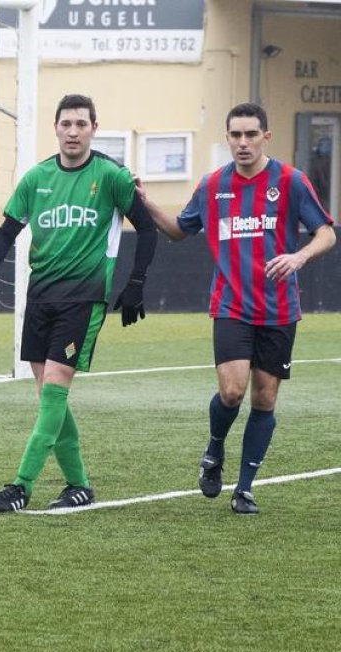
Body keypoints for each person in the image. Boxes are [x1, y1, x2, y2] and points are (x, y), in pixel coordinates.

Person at [138, 102, 335, 515]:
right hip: (231, 304)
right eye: (235, 135)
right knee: (232, 391)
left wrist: (298, 258)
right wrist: (145, 203)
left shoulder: (291, 181)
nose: (242, 143)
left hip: (280, 308)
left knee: (264, 399)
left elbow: (326, 234)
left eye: (250, 135)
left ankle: (244, 488)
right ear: (227, 138)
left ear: (266, 136)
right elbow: (178, 230)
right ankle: (214, 449)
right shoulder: (212, 186)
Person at [0, 94, 159, 512]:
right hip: (40, 297)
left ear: (94, 128)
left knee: (54, 393)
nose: (73, 131)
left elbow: (147, 230)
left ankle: (21, 486)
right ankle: (79, 486)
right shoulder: (35, 178)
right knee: (49, 399)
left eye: (81, 124)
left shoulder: (111, 177)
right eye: (66, 124)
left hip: (84, 299)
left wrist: (137, 283)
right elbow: (6, 232)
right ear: (55, 128)